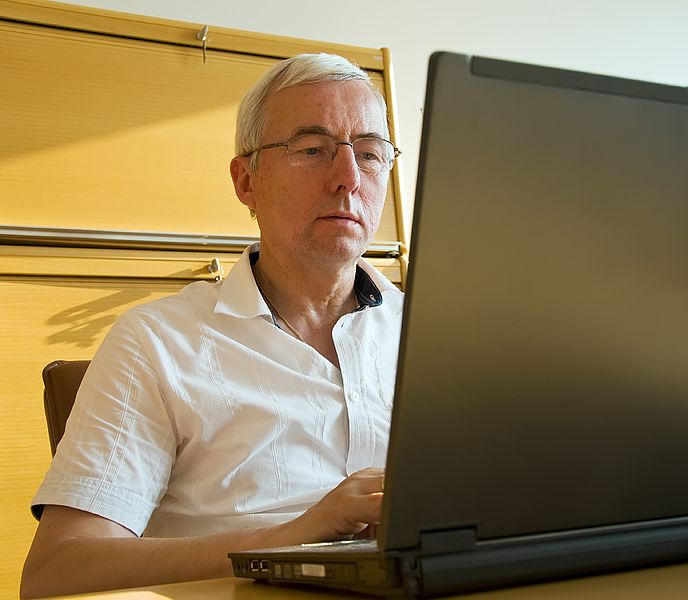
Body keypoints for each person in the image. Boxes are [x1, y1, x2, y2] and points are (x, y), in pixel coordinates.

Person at [20, 53, 403, 599]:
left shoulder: (435, 335)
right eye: (312, 149)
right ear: (246, 180)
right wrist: (290, 538)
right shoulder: (157, 342)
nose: (347, 179)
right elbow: (56, 573)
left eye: (369, 154)